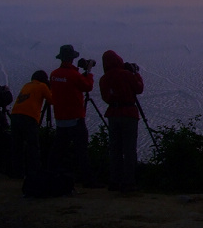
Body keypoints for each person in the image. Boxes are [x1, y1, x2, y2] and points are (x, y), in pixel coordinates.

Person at [48, 44, 97, 191]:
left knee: (57, 151)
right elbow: (87, 86)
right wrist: (88, 71)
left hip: (60, 119)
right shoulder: (74, 75)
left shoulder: (54, 74)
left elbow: (69, 84)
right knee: (82, 151)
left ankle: (51, 175)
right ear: (72, 58)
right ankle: (88, 181)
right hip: (75, 119)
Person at [100, 50, 145, 192]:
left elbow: (105, 97)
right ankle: (129, 182)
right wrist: (136, 73)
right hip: (128, 114)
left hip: (113, 114)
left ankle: (114, 180)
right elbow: (139, 88)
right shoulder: (126, 75)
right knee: (129, 149)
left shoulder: (103, 79)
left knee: (115, 149)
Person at [10, 70, 52, 196]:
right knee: (32, 146)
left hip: (15, 115)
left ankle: (17, 172)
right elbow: (52, 100)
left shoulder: (27, 85)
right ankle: (34, 173)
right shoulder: (42, 86)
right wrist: (51, 89)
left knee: (17, 146)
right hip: (29, 117)